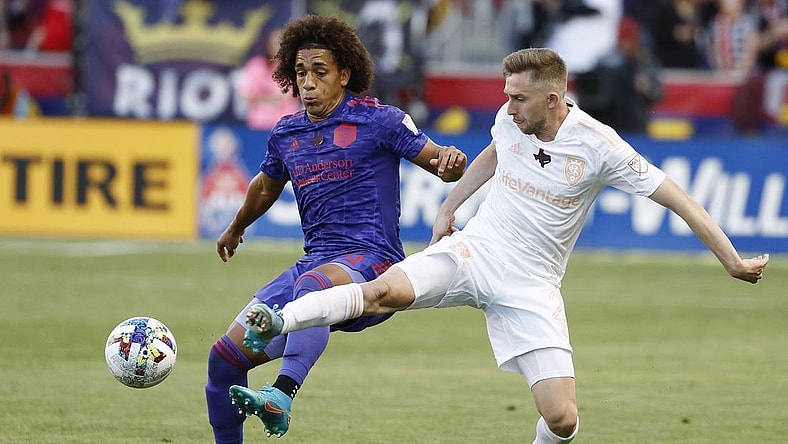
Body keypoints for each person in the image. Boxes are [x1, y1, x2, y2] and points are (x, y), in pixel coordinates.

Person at [241, 47, 770, 443]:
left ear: (553, 99)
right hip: (475, 252)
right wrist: (450, 208)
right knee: (384, 292)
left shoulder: (600, 146)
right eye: (505, 94)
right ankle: (280, 319)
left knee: (562, 418)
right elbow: (495, 152)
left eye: (517, 97)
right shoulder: (511, 118)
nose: (506, 106)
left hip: (532, 284)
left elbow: (681, 200)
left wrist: (732, 261)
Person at [206, 14, 467, 443]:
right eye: (300, 72)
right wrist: (236, 227)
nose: (307, 83)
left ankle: (281, 394)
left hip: (374, 263)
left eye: (319, 72)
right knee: (223, 362)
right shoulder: (287, 133)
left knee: (314, 287)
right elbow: (265, 186)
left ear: (345, 74)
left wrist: (450, 162)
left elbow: (437, 161)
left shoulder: (380, 120)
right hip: (317, 262)